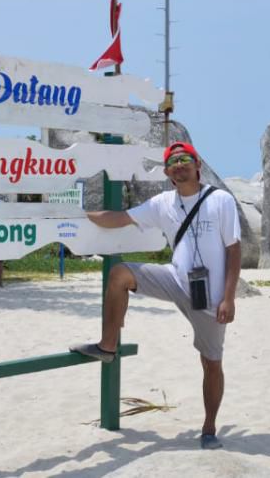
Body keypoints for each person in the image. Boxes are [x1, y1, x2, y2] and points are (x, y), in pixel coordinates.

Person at [70, 141, 241, 451]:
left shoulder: (221, 201)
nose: (179, 165)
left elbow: (234, 251)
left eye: (185, 159)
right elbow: (119, 218)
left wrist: (229, 298)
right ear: (167, 172)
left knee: (211, 362)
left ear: (197, 163)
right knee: (120, 274)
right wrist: (81, 216)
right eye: (173, 161)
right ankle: (108, 345)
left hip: (212, 298)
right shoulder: (163, 202)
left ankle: (209, 427)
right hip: (175, 280)